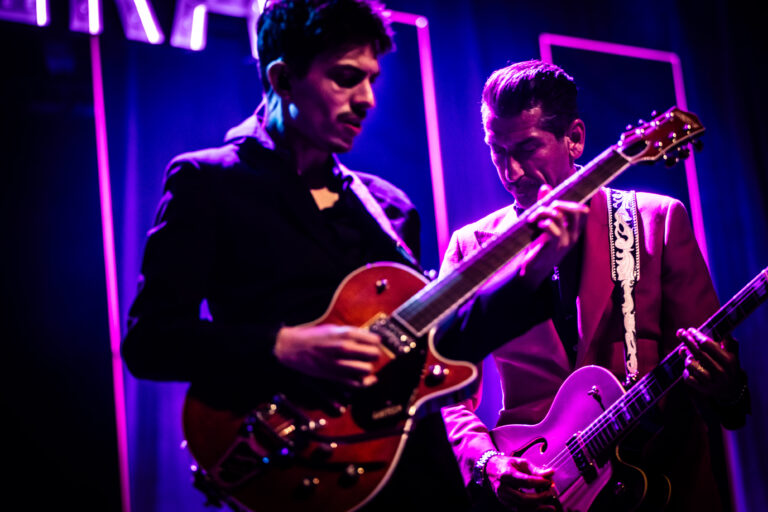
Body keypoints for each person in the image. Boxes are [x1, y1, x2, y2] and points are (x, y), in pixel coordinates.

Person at [121, 3, 585, 510]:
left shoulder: (388, 207)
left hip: (419, 478)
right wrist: (282, 345)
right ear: (283, 79)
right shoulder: (209, 184)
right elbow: (151, 342)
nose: (366, 100)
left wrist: (533, 273)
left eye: (370, 80)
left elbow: (439, 346)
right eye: (345, 79)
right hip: (305, 473)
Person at [440, 60, 751, 512]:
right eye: (496, 150)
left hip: (663, 486)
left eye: (526, 148)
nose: (510, 171)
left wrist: (726, 386)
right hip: (542, 491)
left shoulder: (657, 221)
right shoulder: (473, 248)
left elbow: (723, 381)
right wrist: (487, 463)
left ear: (575, 138)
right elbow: (446, 392)